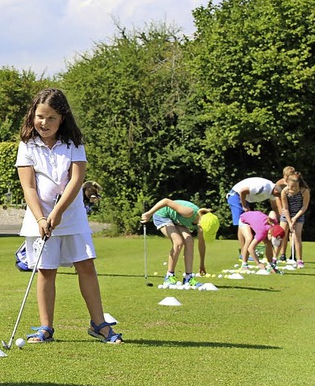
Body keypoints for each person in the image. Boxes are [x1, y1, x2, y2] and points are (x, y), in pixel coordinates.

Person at [15, 88, 122, 344]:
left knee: (85, 265)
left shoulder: (74, 143)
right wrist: (42, 218)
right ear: (33, 116)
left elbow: (76, 180)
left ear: (62, 118)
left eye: (51, 118)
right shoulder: (27, 144)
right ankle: (45, 328)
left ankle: (99, 324)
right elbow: (28, 186)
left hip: (71, 215)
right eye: (40, 116)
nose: (44, 123)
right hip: (38, 217)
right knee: (46, 270)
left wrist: (59, 212)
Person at [140, 199, 216, 286]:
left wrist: (202, 264)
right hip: (162, 215)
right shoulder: (189, 212)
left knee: (190, 241)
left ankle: (188, 278)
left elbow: (201, 245)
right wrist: (149, 213)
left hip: (176, 220)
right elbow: (166, 201)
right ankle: (169, 276)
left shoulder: (202, 223)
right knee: (178, 242)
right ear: (201, 226)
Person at [226, 177, 281, 257]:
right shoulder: (264, 187)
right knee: (241, 223)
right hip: (236, 196)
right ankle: (243, 253)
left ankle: (245, 252)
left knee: (245, 223)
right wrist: (244, 206)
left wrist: (278, 219)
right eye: (278, 195)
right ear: (276, 191)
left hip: (245, 198)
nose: (279, 197)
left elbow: (274, 207)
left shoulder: (272, 192)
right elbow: (243, 191)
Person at [278, 172, 310, 267]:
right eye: (291, 186)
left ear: (299, 184)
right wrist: (289, 221)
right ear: (287, 183)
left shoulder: (304, 191)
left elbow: (304, 207)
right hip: (286, 215)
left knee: (297, 236)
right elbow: (285, 208)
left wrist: (295, 218)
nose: (293, 188)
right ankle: (275, 258)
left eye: (296, 186)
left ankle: (300, 261)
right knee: (281, 235)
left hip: (299, 215)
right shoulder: (284, 191)